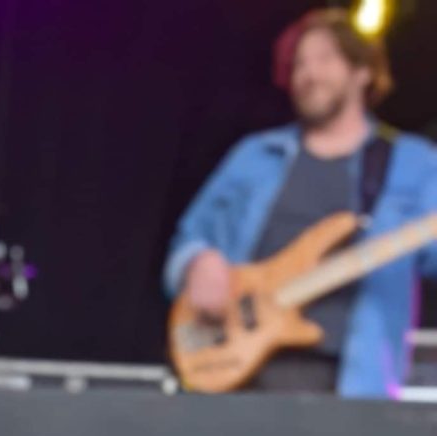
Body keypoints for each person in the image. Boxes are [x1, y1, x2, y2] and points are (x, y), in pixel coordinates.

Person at [164, 7, 437, 395]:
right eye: (299, 65)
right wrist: (198, 263)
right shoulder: (255, 155)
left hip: (352, 384)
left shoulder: (414, 163)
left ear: (363, 72)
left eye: (325, 59)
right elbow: (190, 238)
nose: (308, 74)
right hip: (236, 370)